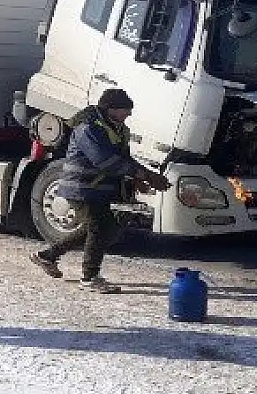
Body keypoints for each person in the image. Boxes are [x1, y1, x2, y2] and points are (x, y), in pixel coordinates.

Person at [29, 88, 171, 293]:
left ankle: (47, 256)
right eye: (125, 110)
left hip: (98, 188)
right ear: (110, 109)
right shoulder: (88, 128)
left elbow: (124, 158)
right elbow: (104, 160)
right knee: (100, 228)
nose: (128, 114)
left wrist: (139, 176)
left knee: (97, 229)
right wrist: (145, 176)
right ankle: (89, 277)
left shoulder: (118, 128)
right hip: (82, 188)